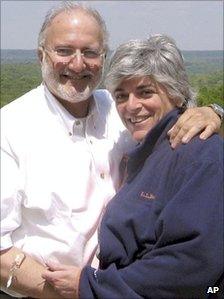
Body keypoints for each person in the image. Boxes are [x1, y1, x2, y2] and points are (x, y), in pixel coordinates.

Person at [0, 2, 222, 298]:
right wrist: (81, 292)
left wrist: (215, 112)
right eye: (64, 50)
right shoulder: (10, 129)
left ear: (102, 58)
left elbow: (168, 110)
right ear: (42, 55)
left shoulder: (116, 110)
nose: (78, 64)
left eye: (90, 52)